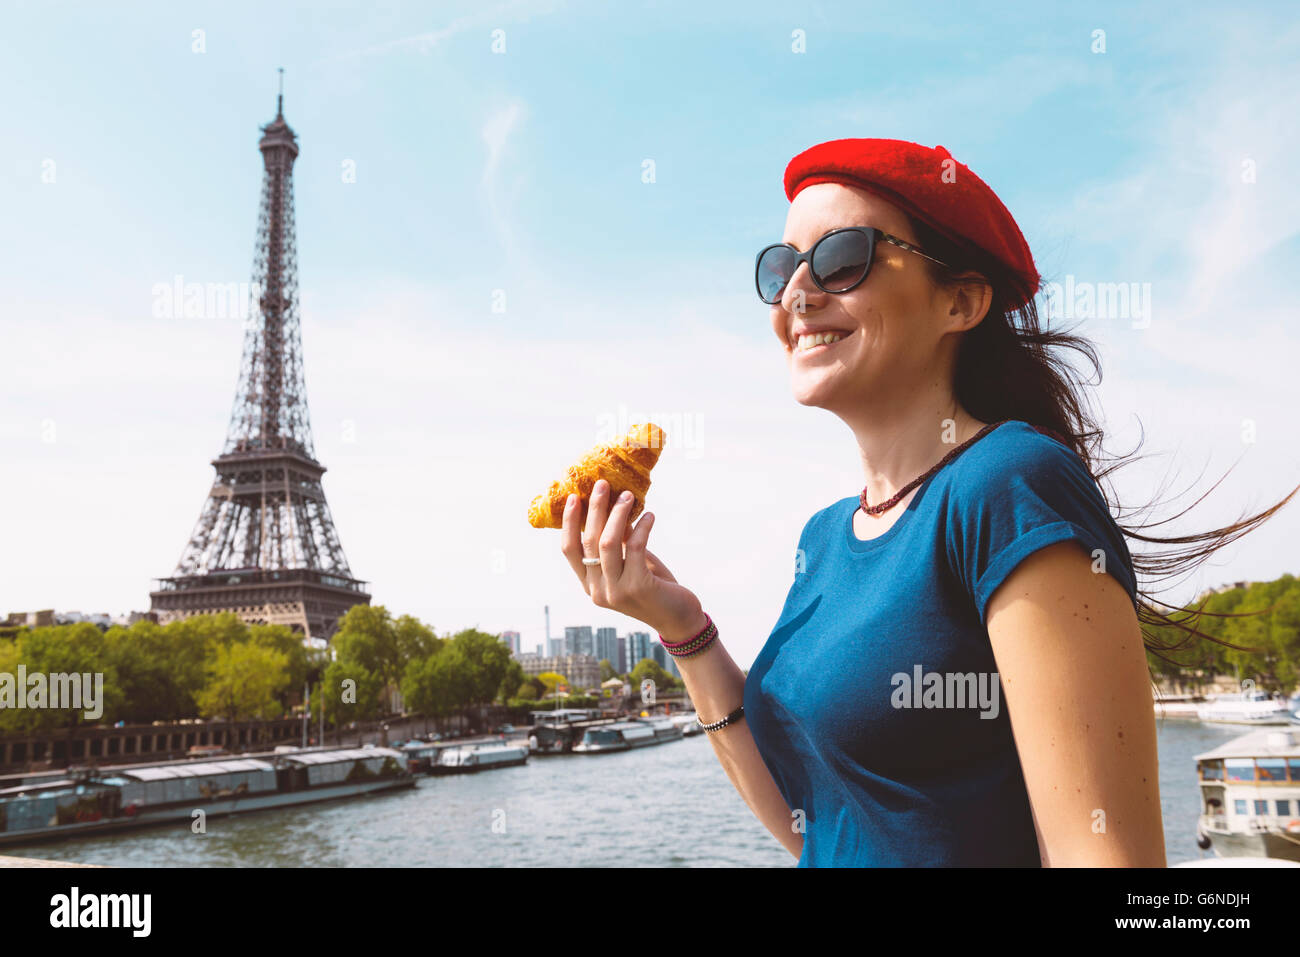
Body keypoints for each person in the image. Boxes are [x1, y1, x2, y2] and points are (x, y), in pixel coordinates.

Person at [557, 138, 1294, 867]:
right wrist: (680, 626)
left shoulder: (1009, 484)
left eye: (843, 257)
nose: (798, 291)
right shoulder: (824, 537)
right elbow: (818, 826)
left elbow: (1107, 861)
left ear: (961, 301)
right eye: (781, 267)